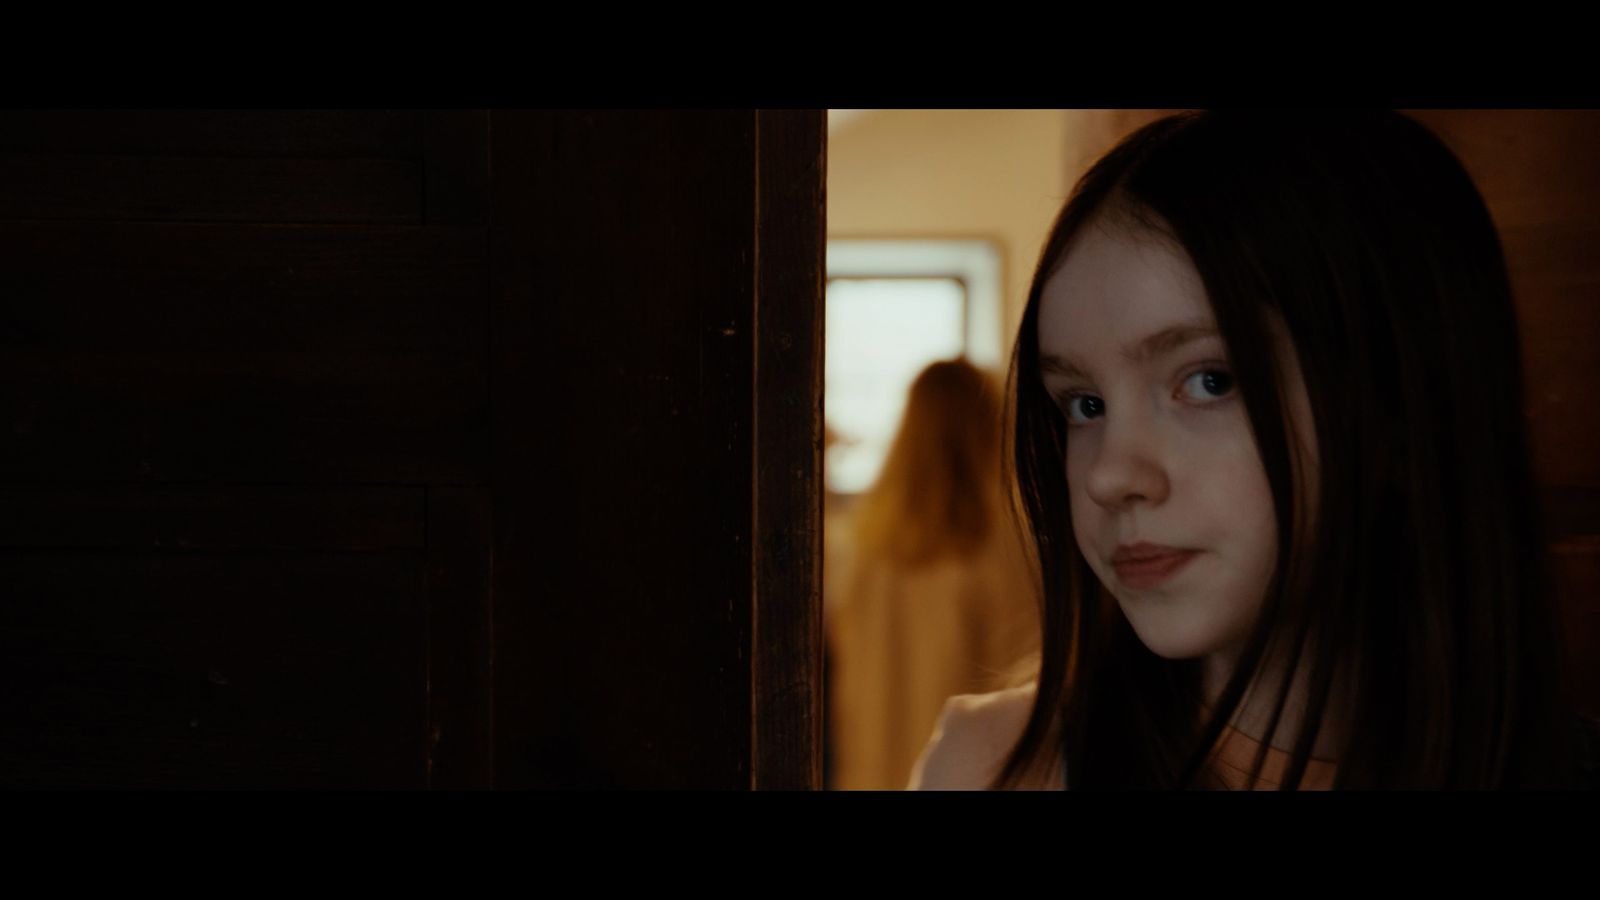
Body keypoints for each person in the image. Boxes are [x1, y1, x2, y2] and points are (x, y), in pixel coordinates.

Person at [909, 110, 1599, 790]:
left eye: (1210, 381)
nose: (1111, 476)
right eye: (1084, 404)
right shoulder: (999, 769)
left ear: (1401, 399)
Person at [827, 359, 1041, 791]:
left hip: (871, 774)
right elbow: (1026, 682)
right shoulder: (1010, 542)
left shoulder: (868, 544)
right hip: (968, 775)